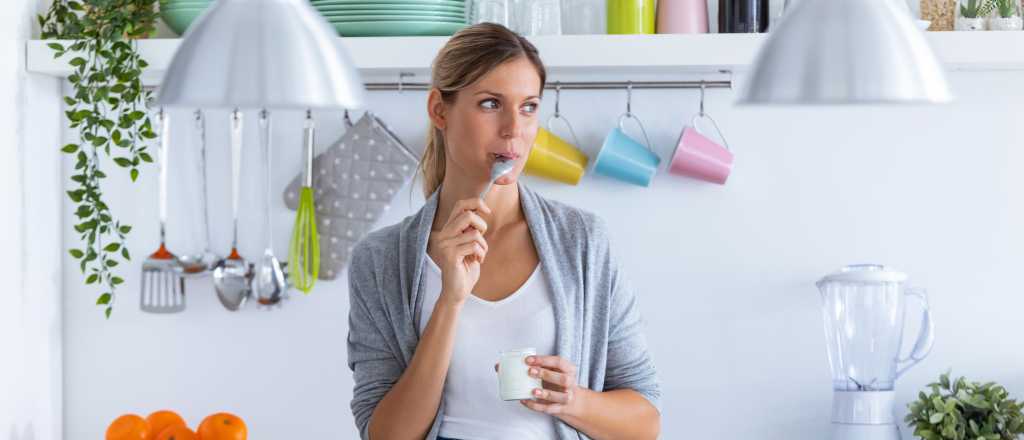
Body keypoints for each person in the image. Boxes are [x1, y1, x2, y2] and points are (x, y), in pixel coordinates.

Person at [346, 22, 661, 440]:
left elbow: (645, 423)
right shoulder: (380, 259)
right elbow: (384, 435)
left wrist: (572, 400)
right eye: (491, 104)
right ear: (439, 110)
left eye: (529, 106)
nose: (515, 128)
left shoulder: (582, 241)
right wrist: (450, 301)